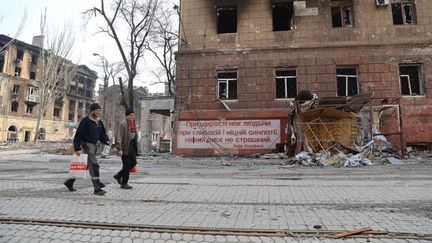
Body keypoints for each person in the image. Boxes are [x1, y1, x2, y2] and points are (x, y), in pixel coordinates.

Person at [64, 103, 112, 195]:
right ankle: (97, 188)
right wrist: (77, 148)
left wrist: (106, 141)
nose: (98, 112)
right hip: (86, 145)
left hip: (93, 146)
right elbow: (78, 135)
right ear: (92, 111)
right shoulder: (85, 121)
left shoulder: (99, 121)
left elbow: (102, 134)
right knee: (94, 166)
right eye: (97, 110)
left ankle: (69, 182)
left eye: (99, 110)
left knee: (85, 166)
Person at [114, 108, 138, 189]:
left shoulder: (133, 123)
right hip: (125, 147)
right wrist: (119, 148)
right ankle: (124, 183)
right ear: (127, 116)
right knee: (127, 165)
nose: (132, 116)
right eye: (131, 115)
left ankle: (119, 175)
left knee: (133, 162)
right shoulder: (123, 124)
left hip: (131, 146)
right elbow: (118, 137)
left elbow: (134, 136)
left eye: (133, 115)